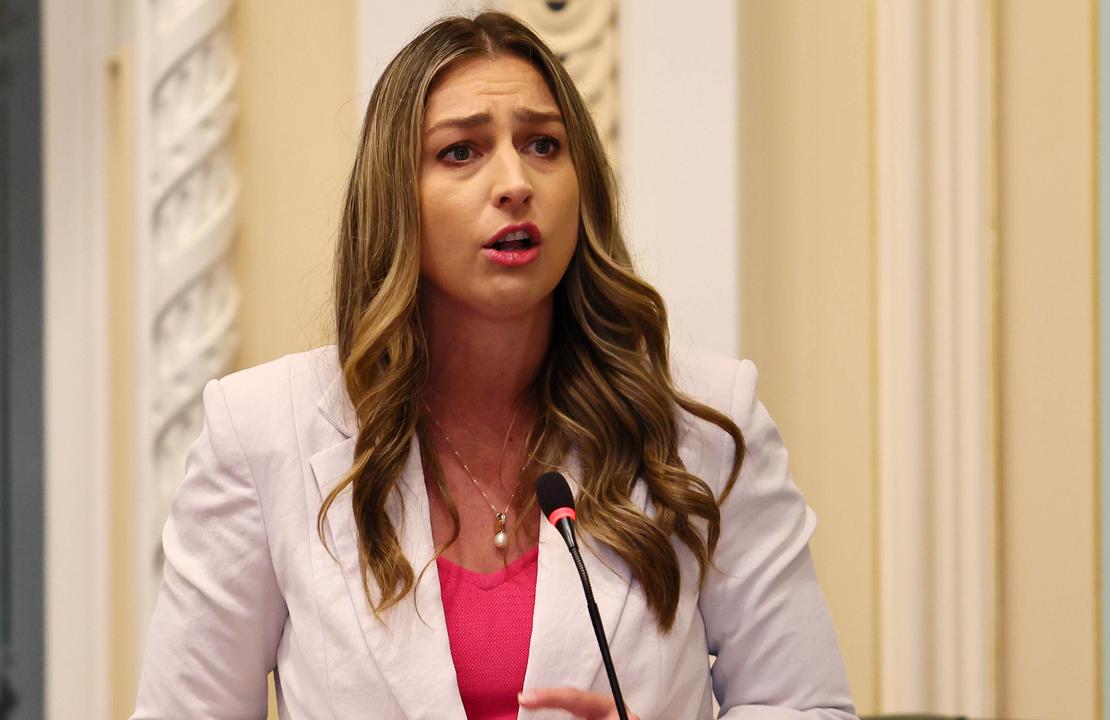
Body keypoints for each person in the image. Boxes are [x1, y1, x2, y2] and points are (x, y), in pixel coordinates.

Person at [132, 11, 855, 720]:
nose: (515, 181)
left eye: (543, 145)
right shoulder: (266, 432)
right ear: (396, 202)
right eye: (460, 152)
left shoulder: (702, 419)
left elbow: (805, 704)